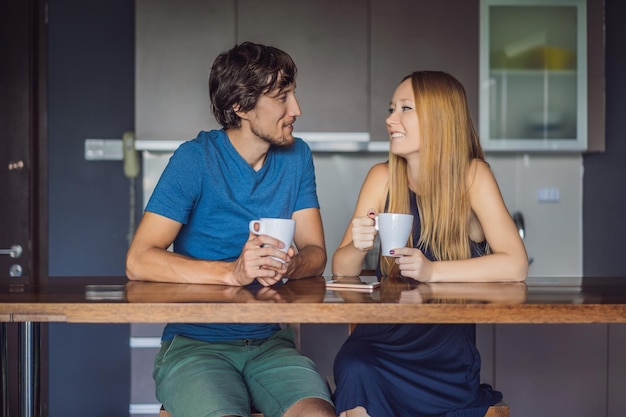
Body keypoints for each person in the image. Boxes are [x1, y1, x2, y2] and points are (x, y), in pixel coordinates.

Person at [126, 42, 335, 417]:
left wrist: (291, 266)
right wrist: (232, 273)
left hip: (271, 343)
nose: (297, 110)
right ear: (240, 106)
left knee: (317, 414)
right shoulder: (195, 159)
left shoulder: (297, 157)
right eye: (282, 97)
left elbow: (316, 252)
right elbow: (139, 259)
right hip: (195, 345)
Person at [331, 71, 529, 417]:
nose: (390, 119)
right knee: (354, 365)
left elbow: (515, 264)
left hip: (446, 357)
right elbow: (341, 269)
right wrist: (359, 246)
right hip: (379, 344)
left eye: (405, 108)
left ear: (439, 118)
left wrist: (433, 270)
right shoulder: (381, 177)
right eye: (391, 108)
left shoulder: (473, 177)